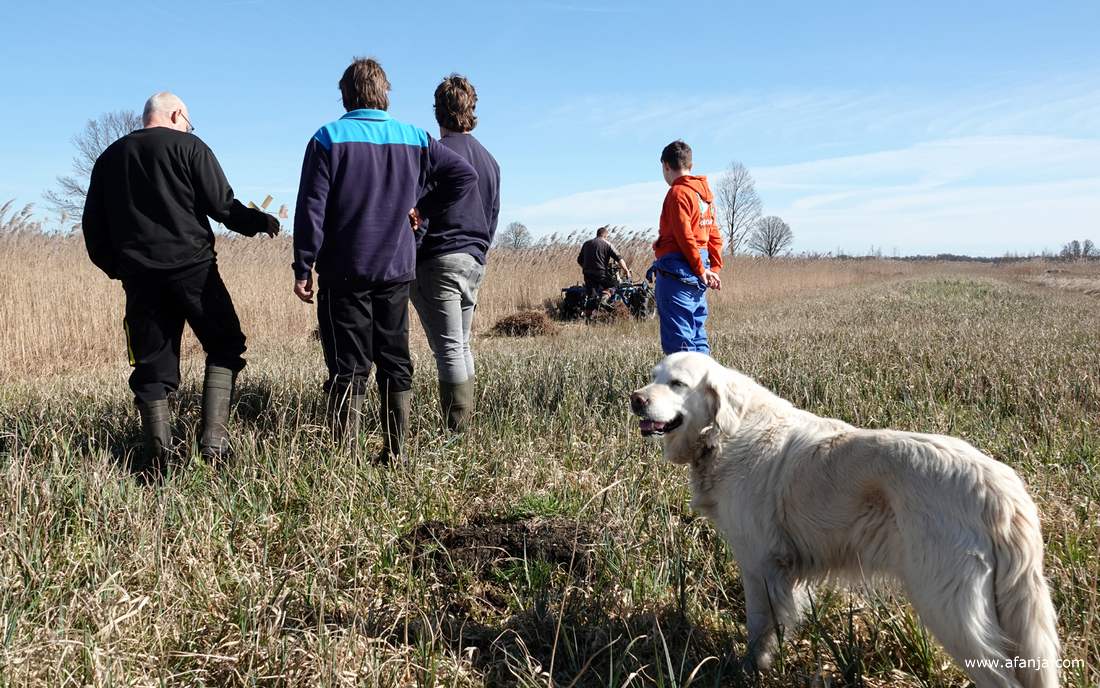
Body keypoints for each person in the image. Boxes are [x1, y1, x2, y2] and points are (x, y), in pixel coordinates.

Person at [82, 91, 280, 480]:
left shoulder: (109, 158)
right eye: (189, 122)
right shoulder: (190, 147)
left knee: (152, 366)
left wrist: (118, 269)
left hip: (140, 279)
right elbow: (223, 207)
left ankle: (157, 464)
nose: (189, 129)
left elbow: (93, 228)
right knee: (225, 344)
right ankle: (214, 444)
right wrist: (261, 222)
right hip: (195, 271)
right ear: (176, 115)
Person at [293, 57, 477, 463]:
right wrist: (423, 208)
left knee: (349, 365)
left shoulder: (327, 138)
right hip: (397, 269)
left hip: (344, 272)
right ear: (384, 94)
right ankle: (397, 453)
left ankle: (347, 460)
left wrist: (302, 265)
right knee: (396, 360)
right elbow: (464, 175)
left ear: (345, 95)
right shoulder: (415, 137)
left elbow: (312, 209)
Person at [409, 74, 500, 433]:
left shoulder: (436, 152)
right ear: (471, 109)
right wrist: (480, 252)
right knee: (461, 345)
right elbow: (492, 215)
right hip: (474, 259)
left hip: (440, 258)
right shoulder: (490, 160)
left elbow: (420, 211)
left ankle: (456, 432)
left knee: (448, 349)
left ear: (437, 112)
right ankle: (464, 425)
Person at [649, 140, 722, 354]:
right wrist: (712, 269)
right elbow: (714, 236)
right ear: (690, 164)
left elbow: (685, 237)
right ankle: (703, 386)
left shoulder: (678, 193)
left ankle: (686, 386)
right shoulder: (704, 196)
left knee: (679, 344)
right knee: (698, 336)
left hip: (678, 271)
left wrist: (701, 270)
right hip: (699, 268)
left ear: (666, 166)